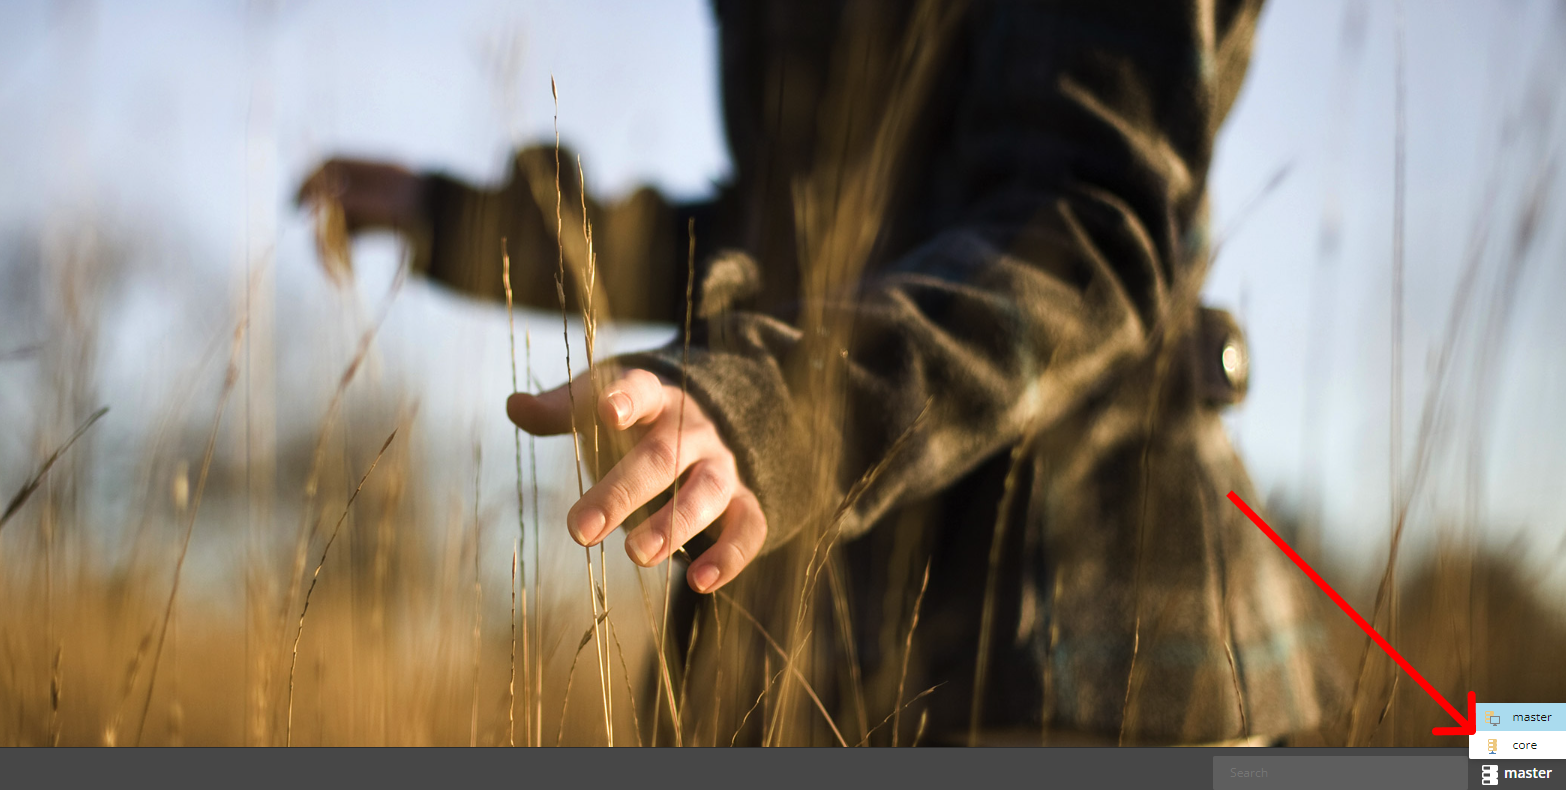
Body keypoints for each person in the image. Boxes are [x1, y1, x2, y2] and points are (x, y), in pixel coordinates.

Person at [298, 0, 1342, 746]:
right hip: (818, 668)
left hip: (1065, 658)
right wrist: (474, 224)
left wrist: (781, 404)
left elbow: (1083, 227)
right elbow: (796, 237)